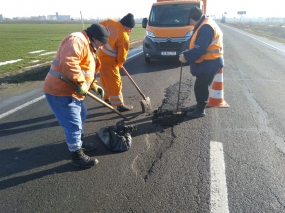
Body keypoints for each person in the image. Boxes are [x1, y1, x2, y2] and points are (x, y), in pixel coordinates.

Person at [43, 24, 110, 168]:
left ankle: (79, 142)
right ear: (94, 38)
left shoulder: (89, 45)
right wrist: (81, 83)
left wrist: (93, 85)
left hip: (72, 90)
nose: (103, 46)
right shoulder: (77, 40)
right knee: (73, 123)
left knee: (82, 115)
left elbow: (85, 68)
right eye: (102, 43)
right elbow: (70, 63)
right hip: (60, 91)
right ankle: (77, 155)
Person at [179, 7, 224, 118]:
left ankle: (200, 110)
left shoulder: (205, 28)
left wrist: (186, 56)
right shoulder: (204, 24)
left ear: (194, 18)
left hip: (211, 62)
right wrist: (187, 51)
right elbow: (198, 45)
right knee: (201, 86)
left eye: (191, 22)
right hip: (210, 61)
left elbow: (199, 50)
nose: (191, 24)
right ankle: (199, 105)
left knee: (201, 86)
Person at [97, 13, 135, 112]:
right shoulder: (124, 37)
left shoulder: (110, 22)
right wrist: (119, 64)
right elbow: (122, 55)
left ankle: (107, 99)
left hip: (100, 56)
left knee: (105, 79)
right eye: (130, 28)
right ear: (126, 26)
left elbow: (98, 27)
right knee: (115, 82)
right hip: (109, 61)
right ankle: (119, 105)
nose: (131, 30)